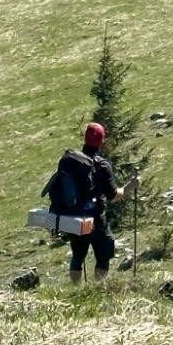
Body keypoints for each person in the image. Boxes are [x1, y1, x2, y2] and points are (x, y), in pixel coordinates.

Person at [43, 121, 118, 284]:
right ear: (102, 141)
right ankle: (99, 288)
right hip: (96, 220)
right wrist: (131, 186)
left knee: (77, 257)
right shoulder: (102, 165)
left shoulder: (72, 162)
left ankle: (75, 288)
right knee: (103, 256)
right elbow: (113, 196)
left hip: (74, 218)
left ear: (85, 139)